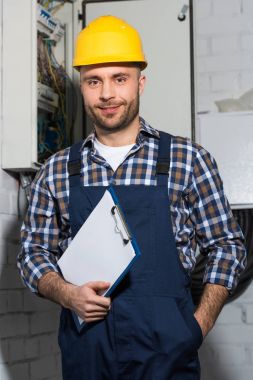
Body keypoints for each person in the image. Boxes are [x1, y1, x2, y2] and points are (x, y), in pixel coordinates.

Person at [18, 15, 246, 380]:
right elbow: (32, 254)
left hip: (168, 355)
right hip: (87, 354)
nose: (106, 93)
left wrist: (197, 326)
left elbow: (227, 246)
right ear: (82, 87)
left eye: (119, 79)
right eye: (94, 81)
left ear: (140, 82)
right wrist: (65, 293)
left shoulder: (188, 160)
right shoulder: (58, 170)